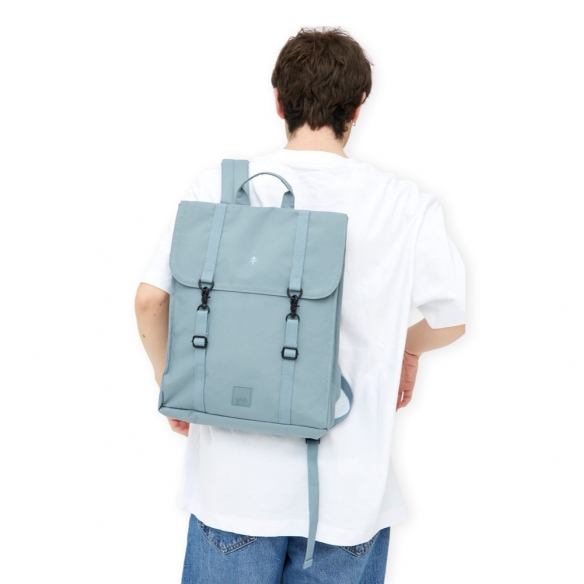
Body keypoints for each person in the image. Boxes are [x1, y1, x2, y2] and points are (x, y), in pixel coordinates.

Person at [135, 26, 465, 584]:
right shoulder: (406, 205)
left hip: (233, 487)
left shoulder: (218, 187)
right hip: (349, 498)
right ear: (357, 107)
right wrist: (407, 350)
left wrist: (174, 384)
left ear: (278, 101)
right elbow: (450, 318)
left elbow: (150, 301)